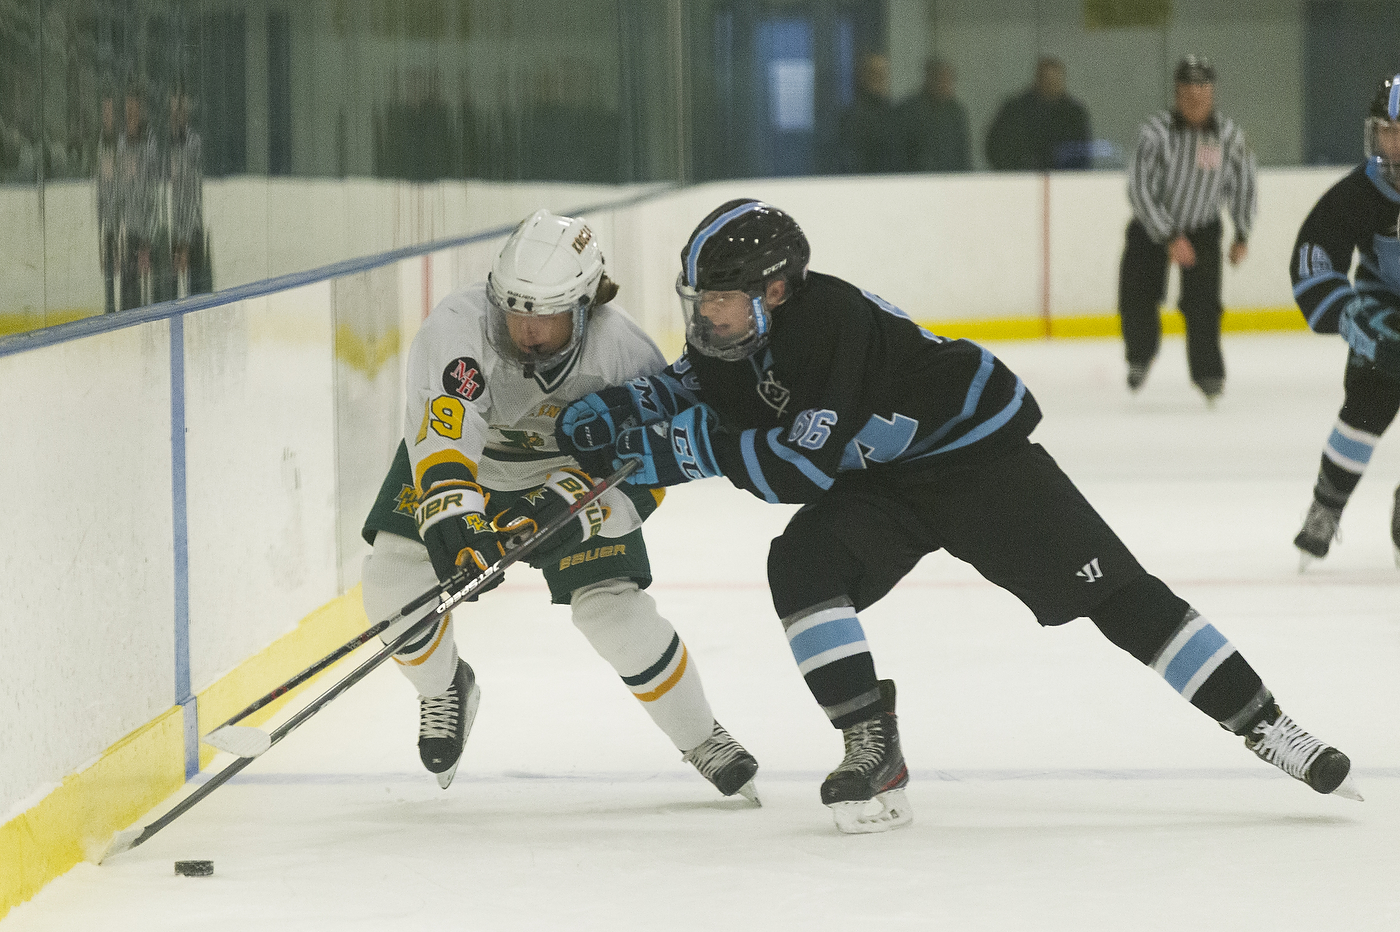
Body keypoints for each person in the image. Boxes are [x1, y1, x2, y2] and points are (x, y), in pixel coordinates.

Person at [555, 198, 1361, 834]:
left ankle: (1267, 723)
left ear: (774, 289)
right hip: (885, 482)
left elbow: (794, 466)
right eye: (699, 302)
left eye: (720, 302)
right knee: (802, 565)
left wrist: (667, 451)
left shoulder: (830, 322)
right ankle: (873, 746)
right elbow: (689, 384)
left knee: (1114, 596)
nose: (706, 319)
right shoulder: (740, 336)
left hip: (975, 461)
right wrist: (613, 410)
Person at [359, 209, 759, 802]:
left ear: (584, 305)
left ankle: (702, 736)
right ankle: (444, 689)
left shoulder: (625, 355)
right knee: (392, 580)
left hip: (574, 478)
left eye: (546, 314)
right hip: (474, 465)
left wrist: (582, 511)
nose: (527, 330)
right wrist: (456, 518)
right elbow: (444, 431)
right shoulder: (456, 329)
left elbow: (647, 469)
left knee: (614, 614)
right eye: (515, 309)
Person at [1289, 73, 1400, 569]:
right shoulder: (1359, 192)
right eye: (1386, 130)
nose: (1392, 144)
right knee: (1365, 405)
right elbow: (1314, 259)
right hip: (1382, 308)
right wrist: (1355, 317)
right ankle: (1326, 507)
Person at [1118, 55, 1257, 401]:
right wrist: (1167, 234)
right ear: (1177, 91)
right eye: (1188, 87)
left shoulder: (1229, 136)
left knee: (1204, 303)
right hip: (1152, 227)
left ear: (1213, 92)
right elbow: (1138, 187)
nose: (1195, 95)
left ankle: (1208, 373)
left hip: (1202, 227)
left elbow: (1243, 183)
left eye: (1203, 87)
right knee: (1136, 296)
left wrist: (1242, 231)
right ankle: (1140, 355)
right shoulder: (1155, 132)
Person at [985, 57, 1092, 171]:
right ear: (1038, 80)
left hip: (1064, 180)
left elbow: (1081, 150)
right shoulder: (1016, 109)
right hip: (1019, 178)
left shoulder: (1074, 114)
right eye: (1047, 81)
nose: (1051, 86)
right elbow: (997, 146)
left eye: (1055, 82)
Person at [895, 58, 971, 173]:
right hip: (918, 178)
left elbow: (962, 151)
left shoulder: (956, 112)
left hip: (951, 179)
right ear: (929, 80)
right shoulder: (909, 109)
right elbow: (900, 151)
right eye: (941, 80)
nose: (945, 85)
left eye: (949, 80)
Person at [836, 53, 897, 174]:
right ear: (864, 76)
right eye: (874, 73)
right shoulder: (852, 116)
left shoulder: (895, 114)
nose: (880, 78)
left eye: (883, 73)